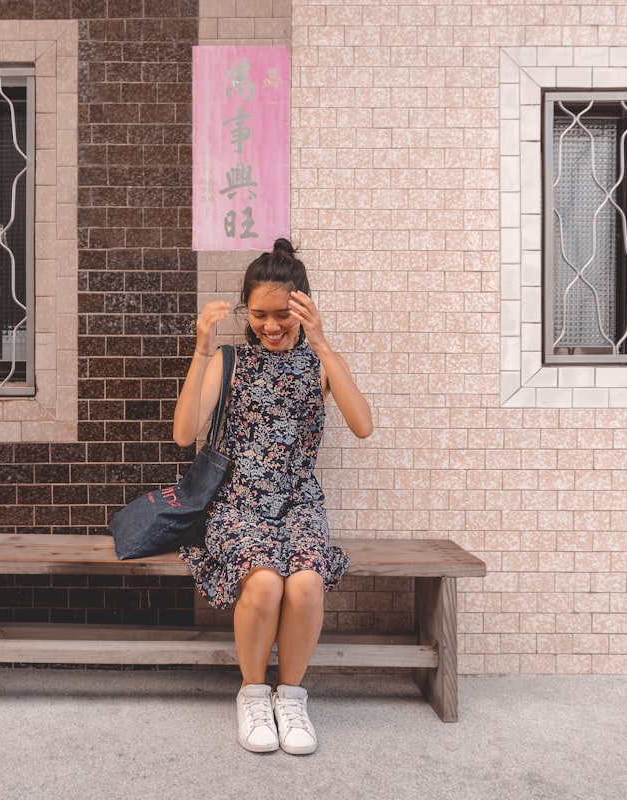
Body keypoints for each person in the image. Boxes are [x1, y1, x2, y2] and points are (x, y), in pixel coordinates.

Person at [173, 238, 373, 755]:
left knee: (306, 585)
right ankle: (253, 694)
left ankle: (291, 698)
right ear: (247, 311)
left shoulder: (319, 363)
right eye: (260, 315)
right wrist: (200, 350)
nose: (272, 326)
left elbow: (363, 425)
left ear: (303, 307)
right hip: (238, 505)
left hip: (300, 505)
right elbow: (184, 432)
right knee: (263, 584)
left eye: (283, 314)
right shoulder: (230, 359)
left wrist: (324, 343)